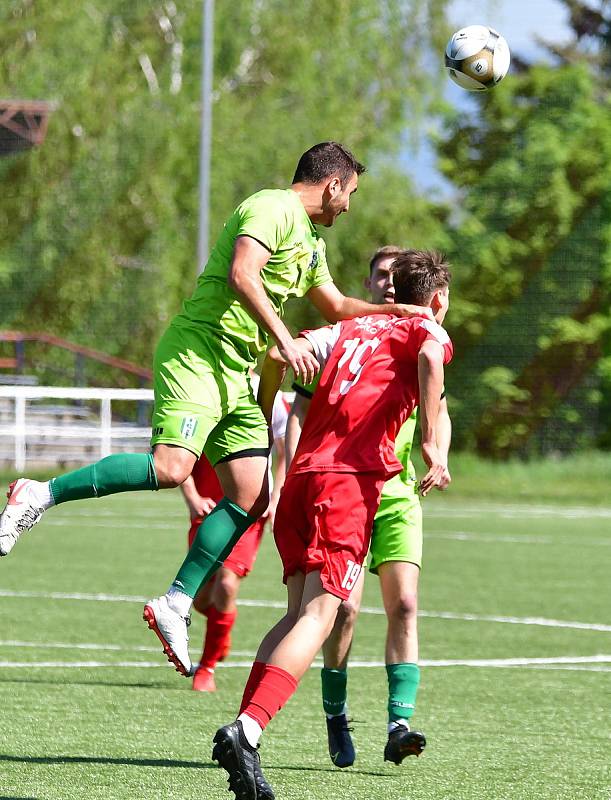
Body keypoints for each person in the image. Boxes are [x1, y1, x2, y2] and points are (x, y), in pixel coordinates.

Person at [0, 142, 433, 677]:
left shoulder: (311, 242)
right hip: (199, 352)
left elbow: (339, 306)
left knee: (253, 496)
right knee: (172, 468)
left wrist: (399, 312)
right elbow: (242, 274)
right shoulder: (272, 208)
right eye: (351, 195)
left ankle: (176, 602)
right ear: (333, 184)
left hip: (237, 372)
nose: (349, 207)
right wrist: (285, 340)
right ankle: (38, 492)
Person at [211, 250, 453, 800]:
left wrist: (262, 412)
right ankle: (247, 731)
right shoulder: (427, 329)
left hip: (301, 479)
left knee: (297, 613)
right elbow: (434, 366)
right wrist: (432, 446)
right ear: (437, 298)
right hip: (346, 487)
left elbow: (277, 353)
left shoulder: (348, 328)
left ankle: (244, 727)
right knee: (322, 617)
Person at [286, 246, 452, 768]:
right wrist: (290, 468)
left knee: (403, 605)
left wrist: (437, 451)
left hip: (397, 492)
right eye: (380, 276)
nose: (387, 285)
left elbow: (439, 405)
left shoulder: (419, 335)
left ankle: (399, 723)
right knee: (344, 611)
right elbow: (301, 407)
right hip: (345, 488)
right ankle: (336, 714)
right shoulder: (352, 333)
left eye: (394, 277)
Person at [182, 386, 290, 692]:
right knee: (201, 597)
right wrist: (192, 496)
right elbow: (178, 447)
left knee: (227, 585)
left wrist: (276, 494)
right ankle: (221, 629)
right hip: (208, 508)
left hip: (250, 504)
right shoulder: (203, 388)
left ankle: (207, 667)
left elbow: (283, 451)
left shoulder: (270, 395)